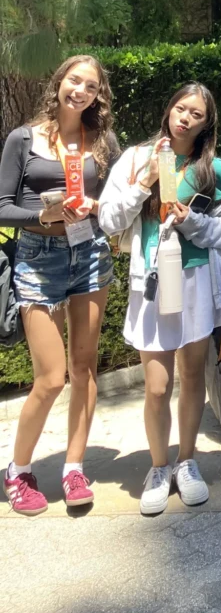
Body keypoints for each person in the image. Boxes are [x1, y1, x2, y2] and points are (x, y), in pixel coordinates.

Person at [98, 83, 221, 516]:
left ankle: (187, 462)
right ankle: (158, 467)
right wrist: (142, 185)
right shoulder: (136, 159)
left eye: (195, 114)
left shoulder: (211, 168)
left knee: (192, 378)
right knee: (158, 387)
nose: (184, 118)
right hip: (152, 280)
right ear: (169, 109)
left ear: (206, 124)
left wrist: (195, 222)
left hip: (196, 280)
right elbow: (109, 219)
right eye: (180, 108)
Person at [0, 55, 120, 515]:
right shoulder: (23, 138)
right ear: (60, 82)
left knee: (85, 368)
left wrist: (96, 205)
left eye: (91, 86)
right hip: (37, 258)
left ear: (97, 95)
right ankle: (19, 470)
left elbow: (115, 202)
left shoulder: (102, 140)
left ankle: (73, 467)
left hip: (89, 255)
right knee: (50, 378)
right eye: (75, 81)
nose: (81, 91)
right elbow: (2, 206)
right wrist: (42, 215)